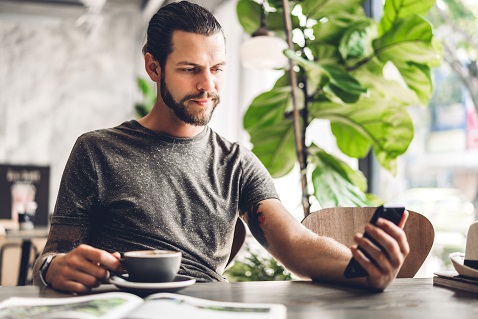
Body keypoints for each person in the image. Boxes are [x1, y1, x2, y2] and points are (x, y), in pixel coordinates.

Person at [33, 0, 409, 294]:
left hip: (207, 308)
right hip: (123, 306)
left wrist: (360, 269)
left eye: (217, 69)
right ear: (153, 67)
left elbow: (295, 242)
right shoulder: (97, 151)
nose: (207, 85)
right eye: (189, 69)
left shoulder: (236, 163)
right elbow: (51, 256)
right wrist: (54, 269)